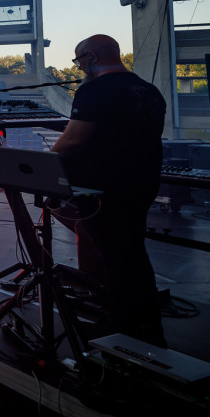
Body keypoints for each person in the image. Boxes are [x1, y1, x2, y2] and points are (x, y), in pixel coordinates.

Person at [51, 34, 166, 346]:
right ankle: (145, 323)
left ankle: (124, 330)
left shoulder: (95, 89)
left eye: (79, 61)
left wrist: (45, 161)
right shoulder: (148, 89)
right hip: (142, 184)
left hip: (104, 189)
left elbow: (74, 140)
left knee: (115, 257)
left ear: (91, 57)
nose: (79, 67)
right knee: (133, 253)